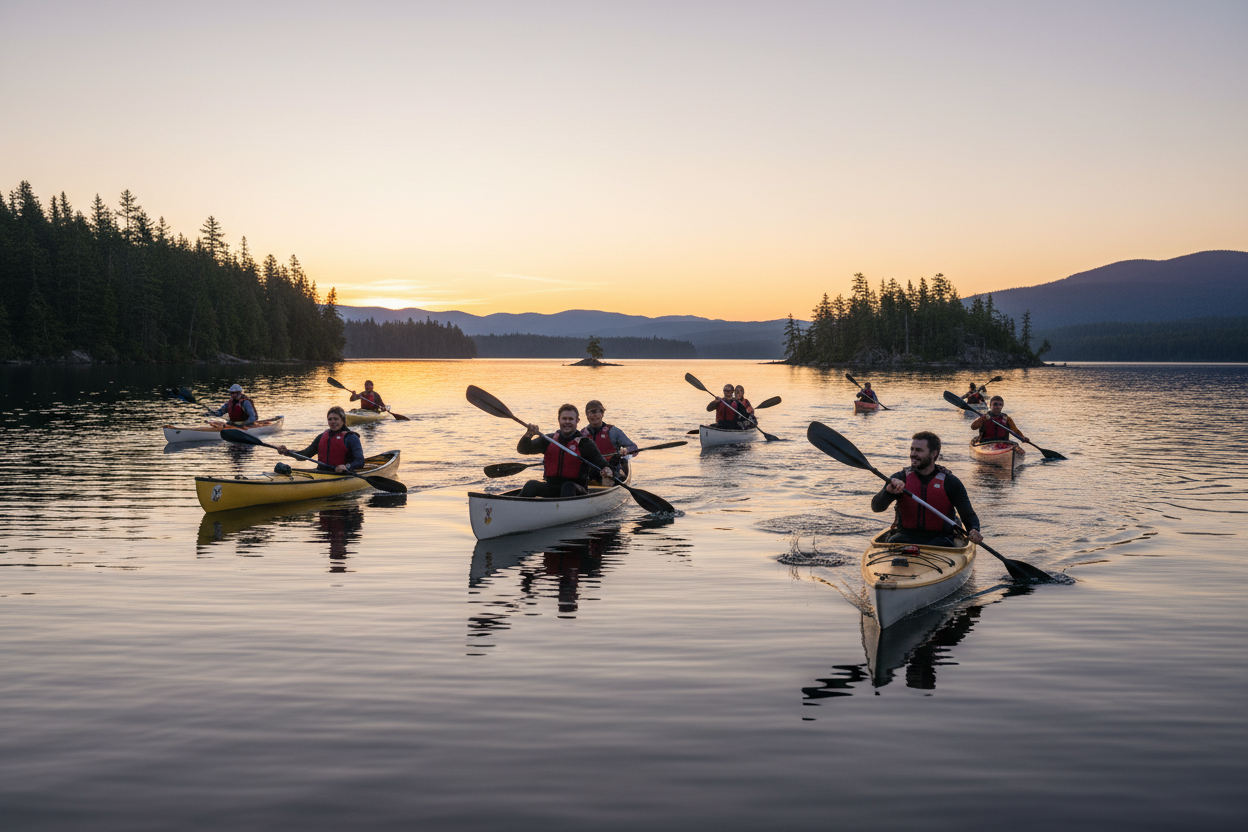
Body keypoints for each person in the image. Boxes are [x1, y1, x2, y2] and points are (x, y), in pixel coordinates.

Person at [871, 431, 983, 547]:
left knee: (940, 543)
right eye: (912, 449)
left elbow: (968, 515)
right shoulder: (899, 479)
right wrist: (887, 492)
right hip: (905, 538)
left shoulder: (950, 482)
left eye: (919, 450)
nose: (913, 454)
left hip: (941, 540)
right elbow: (876, 507)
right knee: (896, 539)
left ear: (933, 454)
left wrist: (974, 529)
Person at [517, 403, 614, 498]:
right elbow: (523, 449)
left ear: (577, 421)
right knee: (531, 484)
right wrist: (528, 434)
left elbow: (602, 464)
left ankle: (565, 511)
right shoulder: (548, 440)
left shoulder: (585, 444)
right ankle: (517, 508)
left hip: (577, 490)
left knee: (568, 486)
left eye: (571, 419)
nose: (567, 422)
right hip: (552, 487)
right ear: (559, 420)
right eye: (564, 419)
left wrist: (606, 470)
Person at [276, 406, 365, 473]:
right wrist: (287, 452)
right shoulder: (322, 436)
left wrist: (347, 467)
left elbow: (360, 461)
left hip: (342, 474)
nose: (332, 422)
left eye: (336, 419)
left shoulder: (351, 438)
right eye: (330, 419)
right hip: (321, 472)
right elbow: (304, 455)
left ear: (343, 421)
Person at [582, 399, 638, 483]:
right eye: (590, 412)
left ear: (602, 414)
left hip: (612, 469)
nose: (594, 415)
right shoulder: (582, 434)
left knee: (612, 467)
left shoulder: (614, 432)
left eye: (596, 412)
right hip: (592, 470)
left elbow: (634, 448)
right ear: (587, 415)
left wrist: (626, 450)